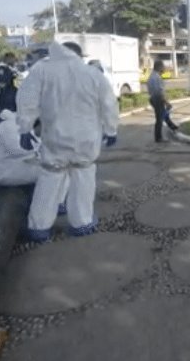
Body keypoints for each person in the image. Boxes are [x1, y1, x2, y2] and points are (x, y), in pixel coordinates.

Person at [16, 41, 119, 241]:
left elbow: (26, 100)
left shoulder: (42, 71)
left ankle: (39, 227)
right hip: (86, 140)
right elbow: (109, 104)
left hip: (55, 139)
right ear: (79, 55)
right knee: (83, 179)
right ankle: (82, 223)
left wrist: (25, 129)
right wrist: (111, 130)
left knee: (49, 179)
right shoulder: (92, 74)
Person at [147, 60, 179, 143]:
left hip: (153, 98)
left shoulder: (151, 76)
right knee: (159, 119)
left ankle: (173, 127)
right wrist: (166, 102)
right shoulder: (157, 77)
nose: (164, 68)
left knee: (163, 114)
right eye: (163, 67)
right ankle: (159, 138)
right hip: (158, 99)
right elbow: (160, 92)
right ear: (159, 67)